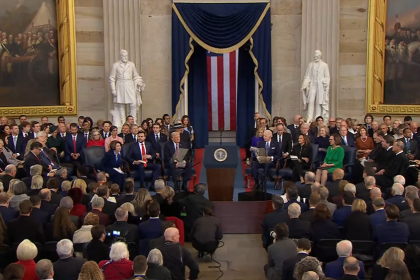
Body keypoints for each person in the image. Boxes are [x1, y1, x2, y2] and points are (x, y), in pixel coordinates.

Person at [109, 49, 145, 128]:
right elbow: (112, 78)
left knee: (133, 103)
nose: (125, 57)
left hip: (129, 85)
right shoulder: (116, 65)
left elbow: (135, 75)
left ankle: (133, 121)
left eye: (126, 56)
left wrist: (138, 81)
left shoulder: (131, 64)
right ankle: (123, 123)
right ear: (120, 56)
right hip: (120, 85)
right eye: (123, 56)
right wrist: (113, 90)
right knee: (121, 105)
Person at [301, 50, 330, 123]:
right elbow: (307, 75)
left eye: (317, 56)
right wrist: (305, 83)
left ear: (320, 56)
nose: (316, 57)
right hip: (312, 85)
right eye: (315, 56)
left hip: (320, 86)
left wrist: (325, 81)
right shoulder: (311, 64)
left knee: (318, 103)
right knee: (311, 101)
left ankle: (317, 118)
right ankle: (309, 118)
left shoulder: (324, 65)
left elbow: (327, 76)